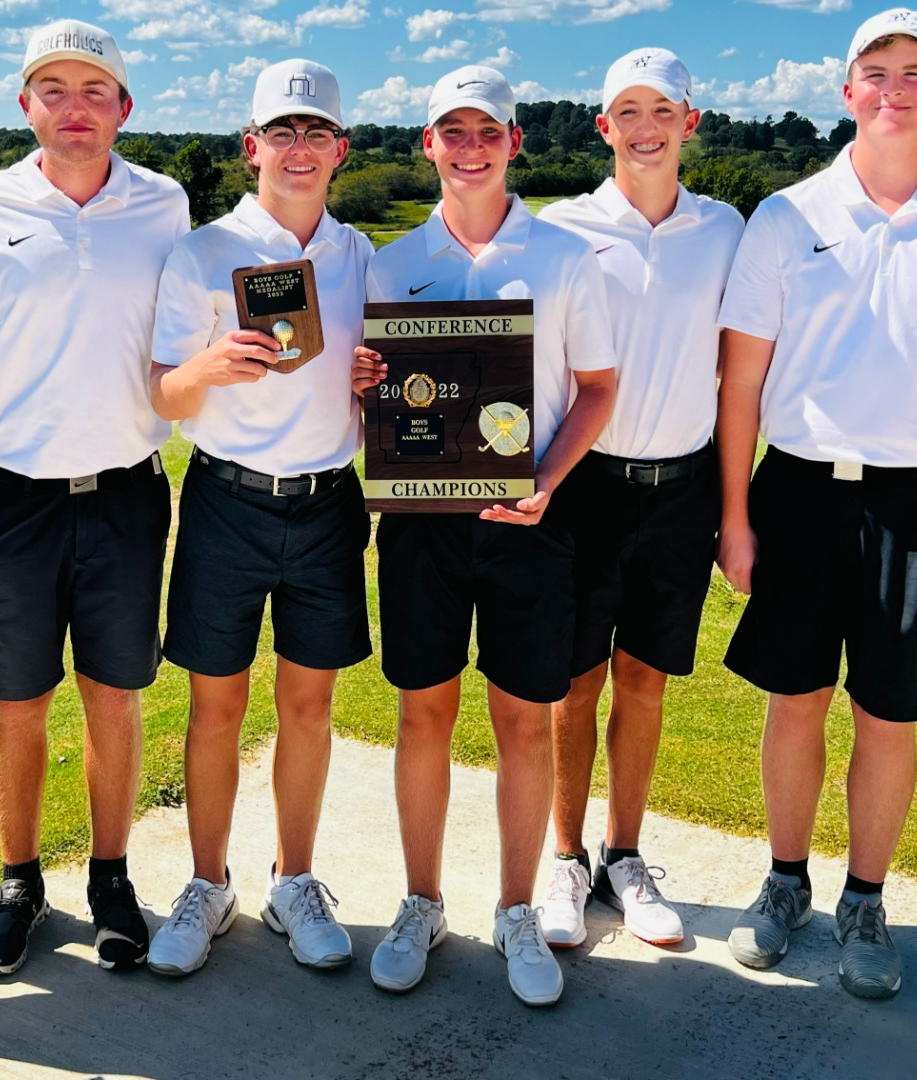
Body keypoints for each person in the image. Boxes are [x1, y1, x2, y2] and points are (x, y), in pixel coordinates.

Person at [714, 8, 917, 1000]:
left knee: (886, 712)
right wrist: (735, 515)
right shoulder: (786, 217)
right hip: (800, 489)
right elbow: (740, 382)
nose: (894, 87)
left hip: (916, 502)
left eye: (915, 72)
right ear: (846, 90)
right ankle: (784, 886)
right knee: (795, 700)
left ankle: (865, 900)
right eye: (875, 70)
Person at [354, 65, 618, 1007]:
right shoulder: (391, 263)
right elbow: (376, 399)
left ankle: (514, 909)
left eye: (487, 132)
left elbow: (597, 388)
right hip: (422, 527)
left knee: (521, 718)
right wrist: (365, 391)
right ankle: (422, 901)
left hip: (528, 521)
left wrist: (547, 481)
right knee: (424, 712)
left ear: (515, 143)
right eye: (450, 132)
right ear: (427, 144)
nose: (469, 149)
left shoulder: (562, 254)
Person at [0, 18, 190, 977]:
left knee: (115, 696)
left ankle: (112, 875)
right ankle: (18, 882)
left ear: (124, 109)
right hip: (11, 496)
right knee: (17, 702)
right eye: (54, 90)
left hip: (126, 489)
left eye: (94, 91)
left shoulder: (165, 205)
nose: (75, 108)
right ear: (26, 106)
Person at [142, 59, 372, 978]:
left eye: (317, 132)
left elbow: (379, 383)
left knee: (309, 705)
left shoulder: (361, 256)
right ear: (253, 148)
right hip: (226, 500)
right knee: (216, 704)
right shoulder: (201, 253)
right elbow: (163, 393)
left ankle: (295, 879)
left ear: (341, 149)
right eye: (283, 132)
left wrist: (374, 381)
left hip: (326, 504)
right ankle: (206, 884)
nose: (300, 148)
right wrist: (207, 369)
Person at [533, 47, 745, 951]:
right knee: (572, 682)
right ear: (602, 125)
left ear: (690, 122)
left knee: (645, 679)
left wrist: (736, 512)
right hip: (586, 488)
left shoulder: (730, 229)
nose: (646, 127)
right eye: (629, 111)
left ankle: (625, 855)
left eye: (664, 110)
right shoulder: (561, 226)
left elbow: (744, 373)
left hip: (682, 487)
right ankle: (564, 859)